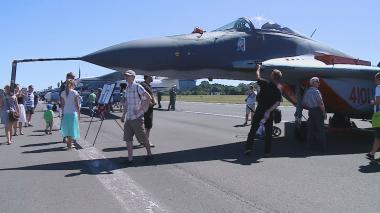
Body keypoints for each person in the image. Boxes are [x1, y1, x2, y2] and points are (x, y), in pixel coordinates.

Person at [245, 65, 282, 157]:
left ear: (272, 76)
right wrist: (269, 110)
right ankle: (267, 152)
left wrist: (258, 68)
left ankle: (248, 149)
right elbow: (277, 103)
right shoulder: (278, 89)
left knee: (253, 130)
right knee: (269, 133)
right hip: (269, 113)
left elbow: (257, 76)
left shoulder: (265, 83)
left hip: (260, 110)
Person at [121, 70, 153, 165]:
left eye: (129, 76)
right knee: (128, 139)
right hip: (129, 118)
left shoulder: (137, 87)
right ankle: (130, 159)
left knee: (143, 139)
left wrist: (142, 110)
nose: (126, 77)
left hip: (137, 118)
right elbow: (126, 103)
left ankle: (149, 154)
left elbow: (148, 98)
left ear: (133, 77)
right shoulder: (127, 88)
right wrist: (123, 115)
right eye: (126, 76)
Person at [302, 77, 327, 151]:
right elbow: (321, 103)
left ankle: (309, 147)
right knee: (321, 130)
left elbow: (304, 103)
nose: (319, 83)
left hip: (311, 111)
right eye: (317, 82)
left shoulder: (307, 92)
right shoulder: (316, 91)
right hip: (317, 111)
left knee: (310, 130)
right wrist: (324, 112)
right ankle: (323, 148)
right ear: (313, 83)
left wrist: (310, 106)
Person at [60, 79, 81, 149]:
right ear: (72, 85)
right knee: (72, 129)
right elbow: (77, 105)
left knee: (67, 128)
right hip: (72, 113)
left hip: (65, 112)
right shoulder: (75, 92)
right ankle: (69, 144)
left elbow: (62, 105)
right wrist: (79, 114)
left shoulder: (63, 93)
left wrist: (62, 113)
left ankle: (69, 143)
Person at [367, 72, 380, 161]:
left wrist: (372, 102)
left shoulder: (378, 88)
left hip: (378, 115)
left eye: (375, 79)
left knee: (378, 135)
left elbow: (378, 101)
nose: (374, 80)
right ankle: (372, 153)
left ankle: (372, 153)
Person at [140, 75, 157, 145]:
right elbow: (143, 96)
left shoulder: (148, 85)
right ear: (147, 77)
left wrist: (154, 101)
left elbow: (151, 95)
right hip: (146, 108)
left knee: (146, 125)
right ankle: (146, 141)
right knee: (148, 125)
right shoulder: (144, 85)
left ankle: (143, 140)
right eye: (151, 76)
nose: (152, 77)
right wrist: (151, 103)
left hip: (148, 108)